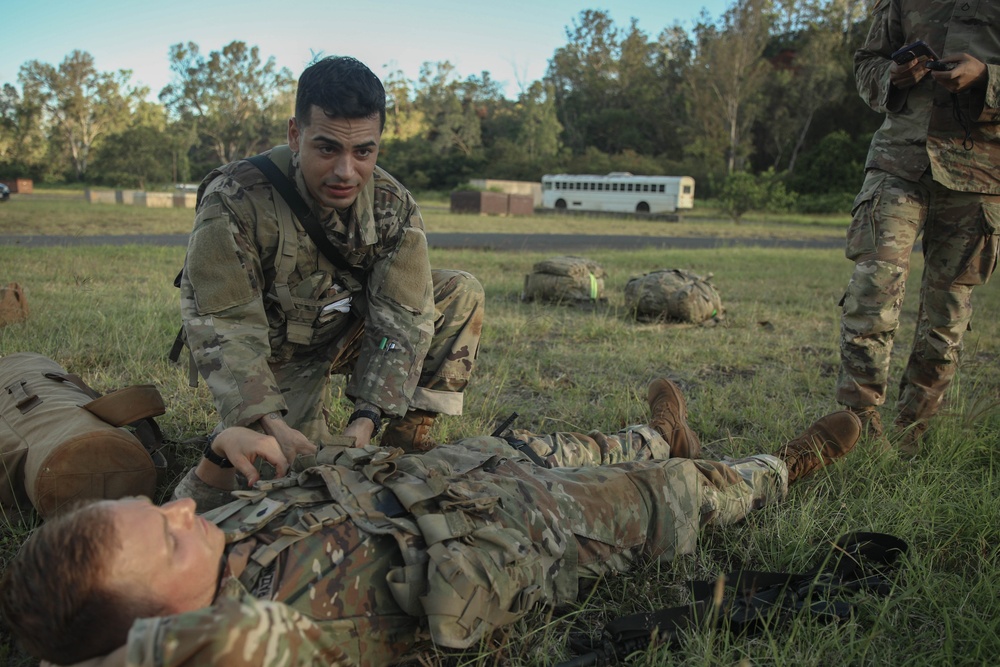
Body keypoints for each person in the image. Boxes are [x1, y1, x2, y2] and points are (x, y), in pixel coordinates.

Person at [0, 379, 862, 667]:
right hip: (526, 534)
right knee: (674, 492)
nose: (183, 511)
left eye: (162, 505)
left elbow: (194, 504)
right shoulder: (268, 640)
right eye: (168, 532)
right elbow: (224, 639)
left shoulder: (206, 537)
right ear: (166, 626)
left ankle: (655, 430)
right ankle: (777, 470)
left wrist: (215, 461)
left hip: (445, 479)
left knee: (552, 441)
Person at [177, 55, 483, 456]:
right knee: (294, 465)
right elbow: (227, 327)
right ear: (294, 135)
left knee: (459, 291)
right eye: (327, 148)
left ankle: (406, 438)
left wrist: (367, 417)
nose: (345, 171)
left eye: (363, 152)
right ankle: (239, 432)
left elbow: (402, 323)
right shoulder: (235, 201)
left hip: (345, 328)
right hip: (276, 350)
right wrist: (266, 419)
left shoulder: (393, 206)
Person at [837, 0, 999, 454]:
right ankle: (856, 428)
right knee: (873, 289)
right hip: (898, 161)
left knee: (946, 316)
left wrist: (986, 77)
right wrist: (893, 75)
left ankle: (914, 433)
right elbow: (867, 62)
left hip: (980, 173)